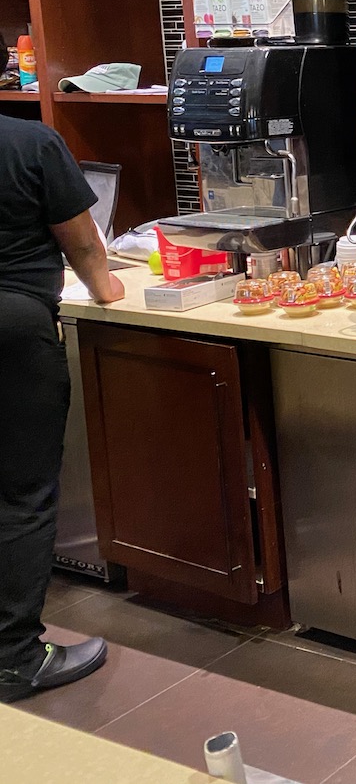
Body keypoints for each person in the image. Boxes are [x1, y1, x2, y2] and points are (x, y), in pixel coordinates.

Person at [0, 116, 124, 703]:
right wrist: (106, 290)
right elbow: (81, 239)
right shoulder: (29, 142)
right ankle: (15, 659)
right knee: (21, 495)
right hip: (13, 333)